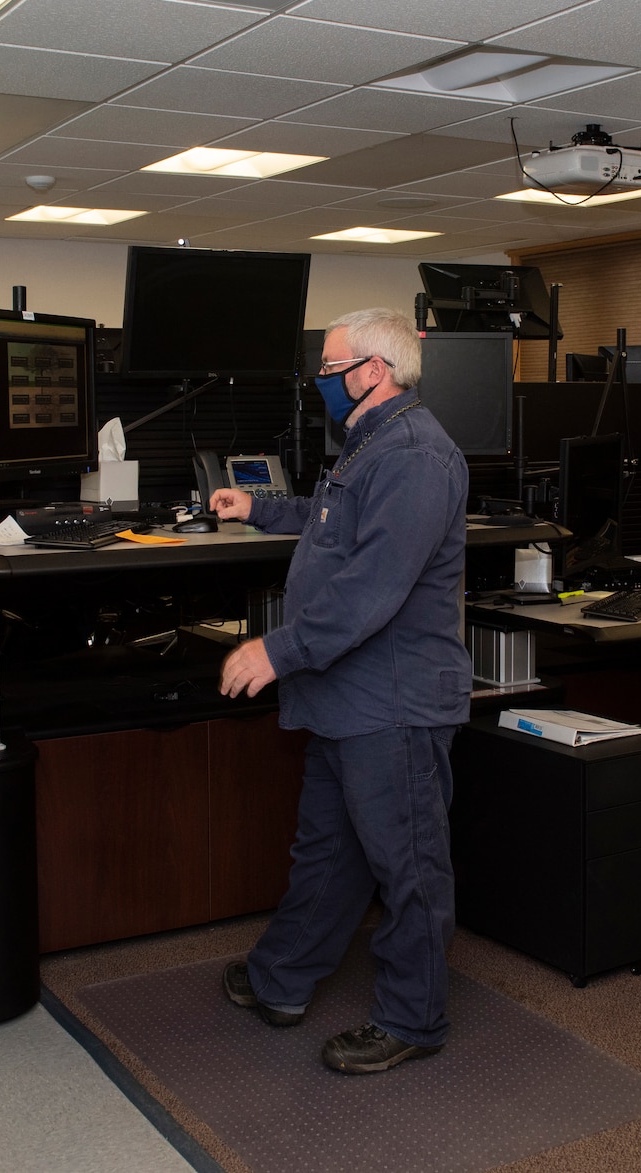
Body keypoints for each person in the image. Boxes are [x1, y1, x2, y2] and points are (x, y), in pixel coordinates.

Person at [209, 307, 470, 1074]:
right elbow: (335, 521)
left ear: (373, 371)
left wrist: (277, 650)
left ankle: (413, 1017)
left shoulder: (418, 455)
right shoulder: (371, 444)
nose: (318, 378)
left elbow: (372, 585)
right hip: (346, 696)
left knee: (408, 864)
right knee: (327, 852)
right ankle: (280, 980)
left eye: (328, 365)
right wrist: (259, 507)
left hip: (393, 700)